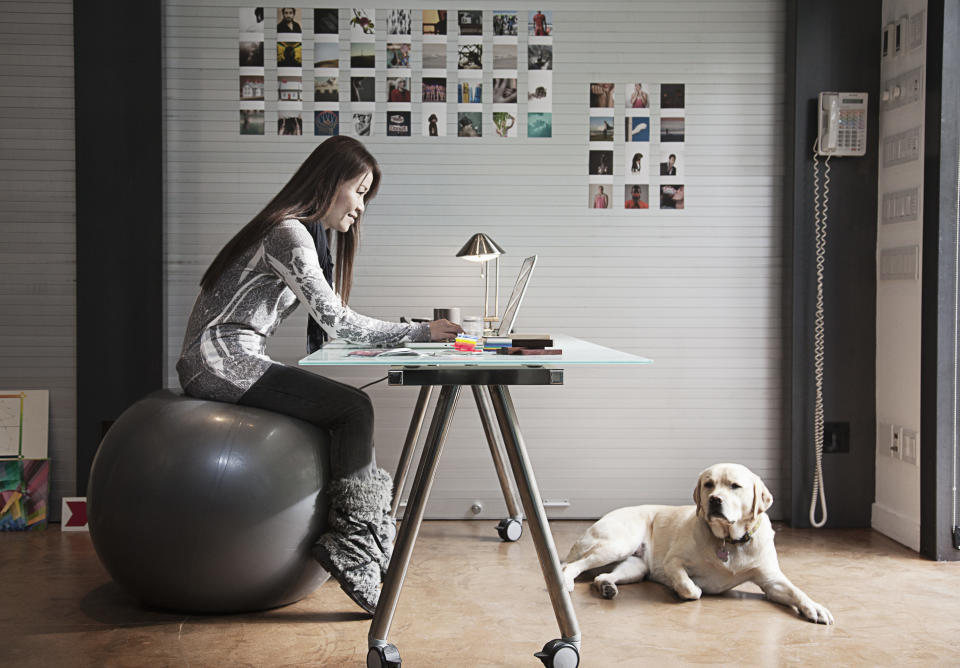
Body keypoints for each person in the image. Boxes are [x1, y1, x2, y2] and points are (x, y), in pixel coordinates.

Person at [176, 136, 462, 615]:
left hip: (227, 358)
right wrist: (421, 332)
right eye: (360, 190)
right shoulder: (289, 232)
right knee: (354, 408)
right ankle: (354, 543)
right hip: (218, 361)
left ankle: (356, 538)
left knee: (345, 408)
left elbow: (334, 326)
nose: (361, 207)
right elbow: (338, 321)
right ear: (331, 183)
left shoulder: (298, 233)